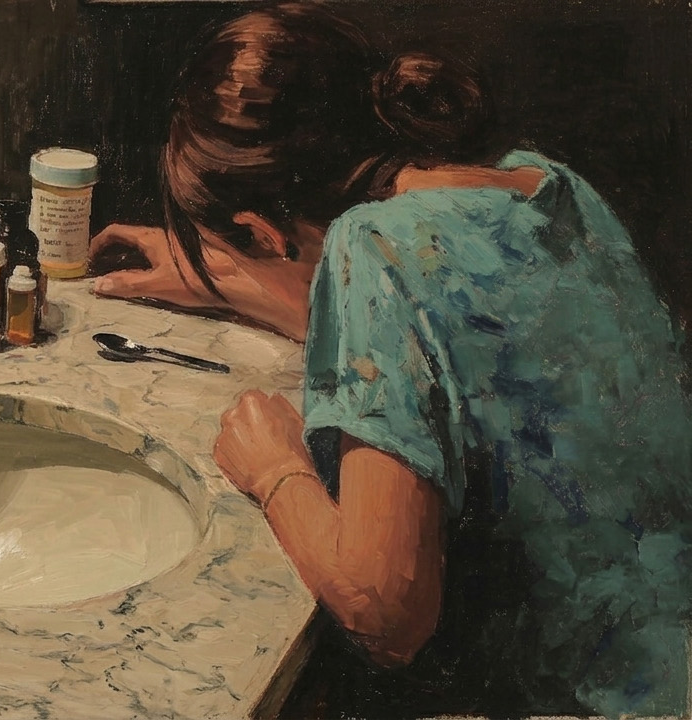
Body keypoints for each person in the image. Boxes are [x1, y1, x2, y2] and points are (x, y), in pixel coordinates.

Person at [91, 3, 692, 717]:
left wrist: (274, 466)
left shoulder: (371, 247)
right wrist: (231, 281)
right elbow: (460, 350)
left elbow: (383, 614)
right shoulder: (544, 186)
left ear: (260, 228)